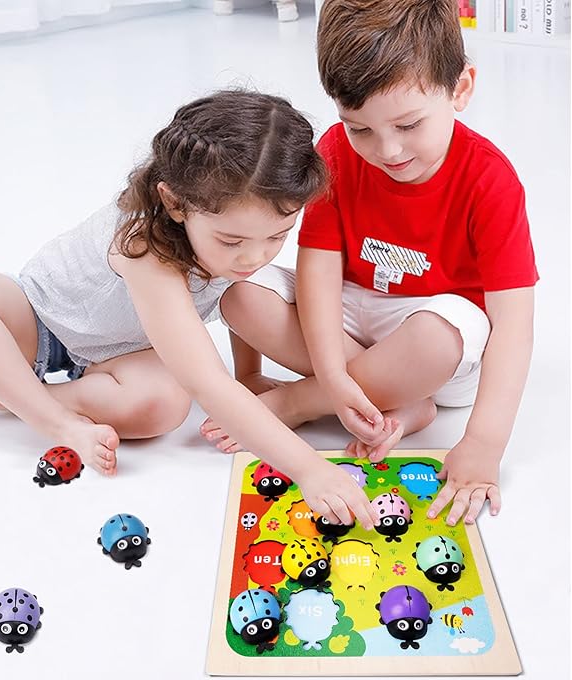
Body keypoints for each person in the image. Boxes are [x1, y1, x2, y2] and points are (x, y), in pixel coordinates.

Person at [0, 89, 380, 530]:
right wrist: (310, 469)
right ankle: (51, 417)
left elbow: (232, 292)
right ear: (174, 203)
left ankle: (7, 393)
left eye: (277, 237)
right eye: (231, 241)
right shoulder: (143, 246)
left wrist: (249, 375)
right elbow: (207, 381)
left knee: (164, 406)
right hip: (39, 322)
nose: (253, 257)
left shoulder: (236, 240)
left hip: (125, 354)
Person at [201, 0, 538, 527]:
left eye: (408, 124)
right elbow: (317, 270)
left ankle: (301, 403)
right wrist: (334, 374)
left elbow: (513, 324)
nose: (388, 150)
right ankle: (397, 403)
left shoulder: (489, 179)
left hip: (436, 341)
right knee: (240, 295)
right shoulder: (337, 151)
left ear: (460, 89)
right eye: (360, 129)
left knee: (440, 335)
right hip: (353, 313)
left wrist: (484, 442)